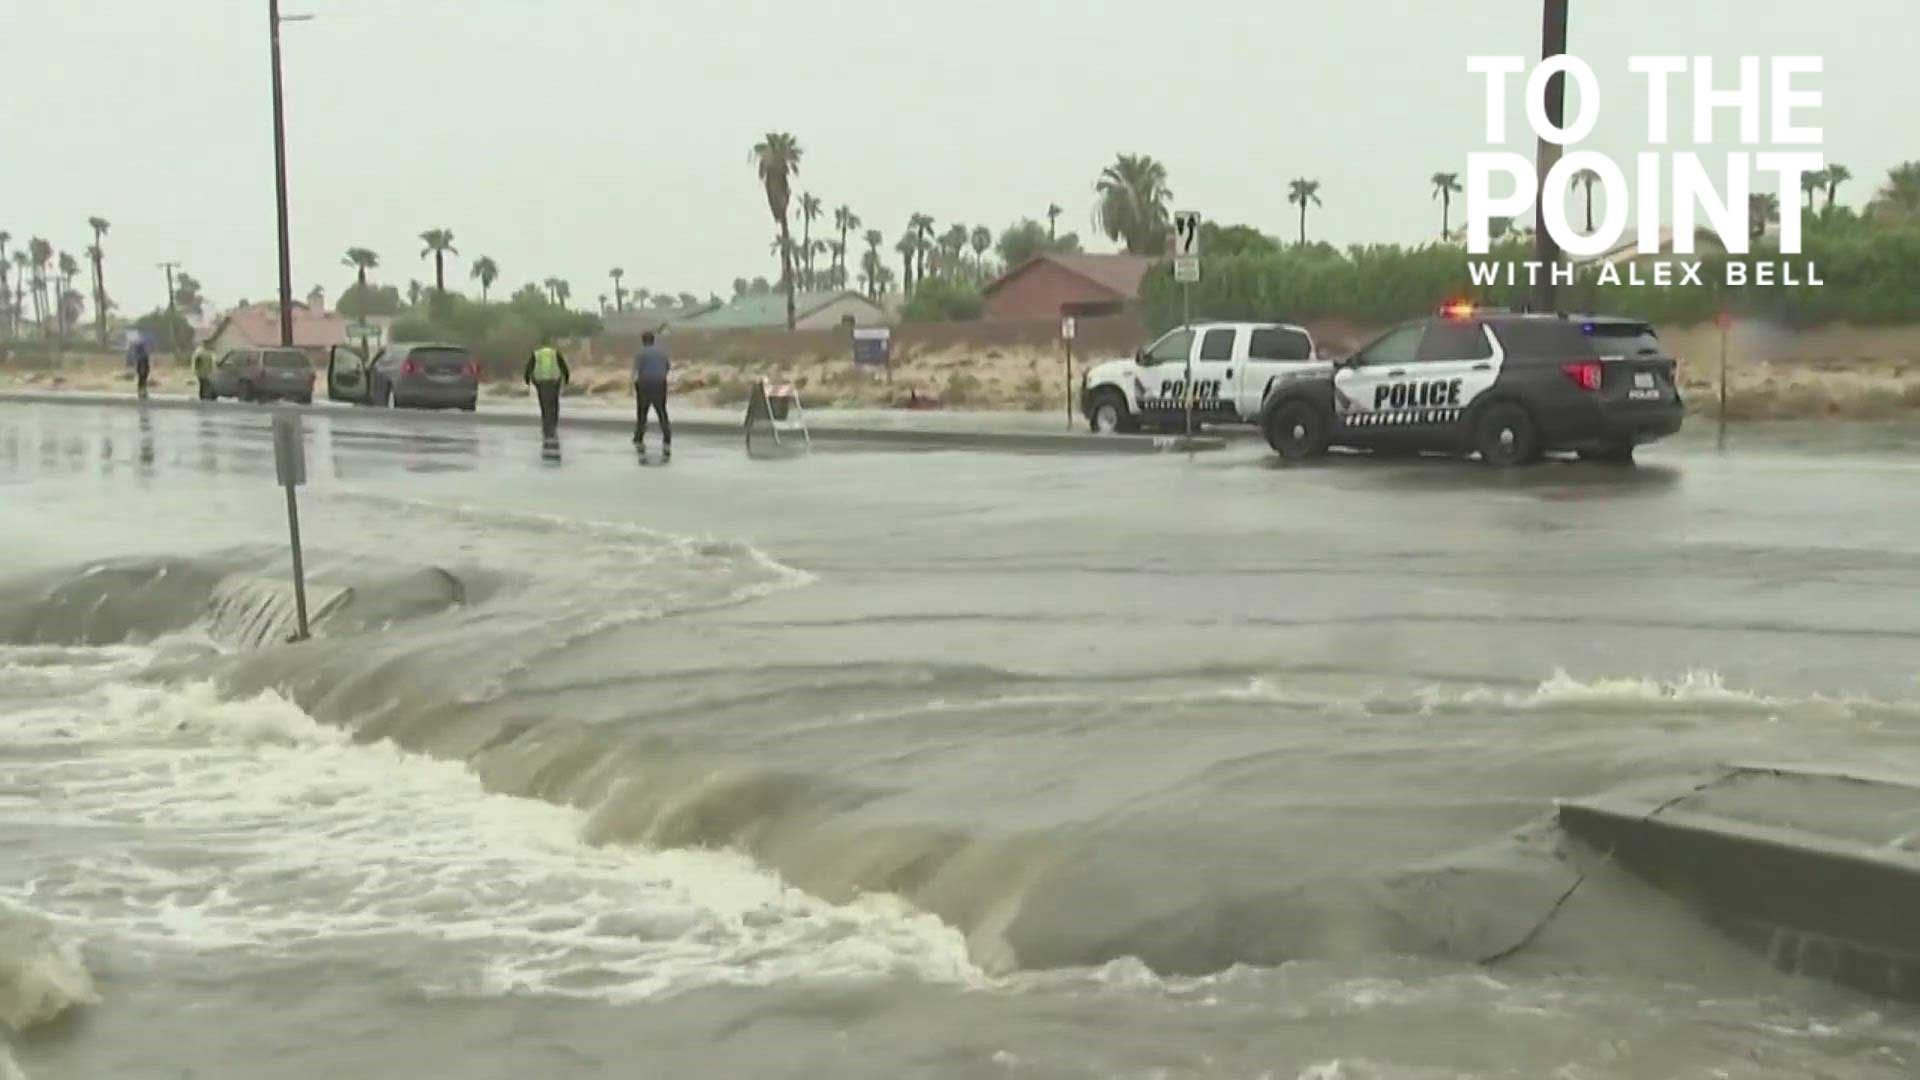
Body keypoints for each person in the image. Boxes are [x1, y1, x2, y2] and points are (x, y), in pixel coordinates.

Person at [632, 331, 671, 457]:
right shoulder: (662, 352)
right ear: (653, 340)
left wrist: (634, 385)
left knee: (642, 412)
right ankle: (667, 437)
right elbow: (667, 367)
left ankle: (639, 437)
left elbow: (636, 371)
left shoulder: (640, 353)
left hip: (645, 384)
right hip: (660, 383)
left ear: (643, 341)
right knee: (661, 411)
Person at [523, 340, 570, 438]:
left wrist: (527, 380)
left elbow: (529, 367)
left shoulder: (536, 354)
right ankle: (553, 423)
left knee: (544, 403)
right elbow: (563, 366)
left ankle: (546, 423)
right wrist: (566, 378)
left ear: (541, 345)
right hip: (554, 381)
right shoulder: (555, 353)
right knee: (554, 402)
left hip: (541, 382)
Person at [126, 333, 152, 400]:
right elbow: (143, 359)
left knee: (143, 379)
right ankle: (142, 393)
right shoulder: (142, 353)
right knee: (142, 379)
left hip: (142, 365)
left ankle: (142, 392)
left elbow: (144, 359)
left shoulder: (139, 352)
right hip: (142, 365)